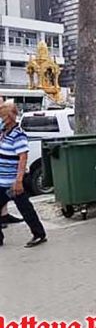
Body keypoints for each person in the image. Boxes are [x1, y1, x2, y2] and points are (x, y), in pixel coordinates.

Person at [0, 103, 47, 248]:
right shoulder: (3, 132)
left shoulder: (18, 134)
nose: (1, 119)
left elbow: (23, 158)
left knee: (25, 209)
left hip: (13, 182)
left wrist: (19, 181)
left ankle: (39, 234)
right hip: (2, 180)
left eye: (2, 116)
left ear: (9, 117)